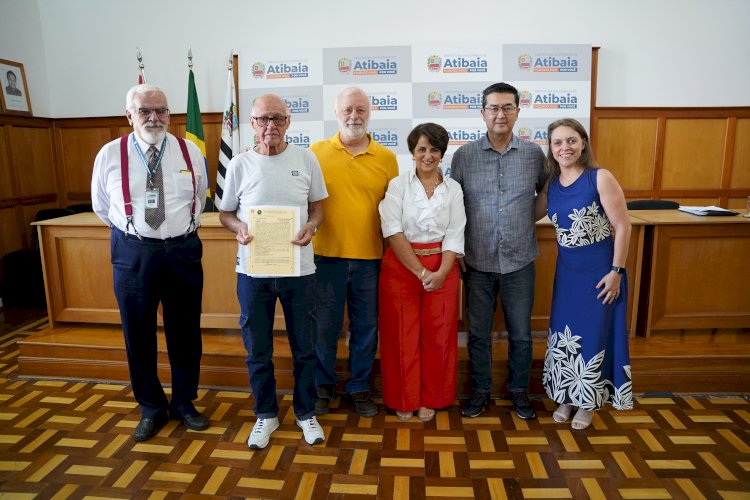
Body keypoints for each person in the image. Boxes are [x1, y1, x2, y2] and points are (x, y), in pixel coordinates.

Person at [91, 83, 209, 442]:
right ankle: (151, 407)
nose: (154, 118)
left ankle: (184, 403)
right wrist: (137, 233)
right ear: (130, 115)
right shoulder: (110, 155)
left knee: (186, 332)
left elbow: (200, 200)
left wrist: (175, 233)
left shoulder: (190, 151)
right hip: (134, 253)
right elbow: (101, 206)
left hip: (183, 251)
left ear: (170, 115)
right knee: (138, 334)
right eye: (145, 111)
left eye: (161, 111)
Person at [219, 94, 328, 448]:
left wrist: (311, 226)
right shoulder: (238, 164)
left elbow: (317, 209)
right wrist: (238, 228)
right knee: (257, 349)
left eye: (278, 119)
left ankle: (305, 412)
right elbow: (226, 213)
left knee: (305, 347)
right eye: (264, 119)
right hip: (253, 271)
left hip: (300, 270)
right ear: (251, 124)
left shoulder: (306, 159)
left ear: (288, 123)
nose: (271, 126)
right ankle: (265, 414)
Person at [450, 82, 546, 420]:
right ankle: (480, 391)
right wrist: (457, 250)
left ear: (518, 112)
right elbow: (453, 206)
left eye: (507, 107)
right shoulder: (463, 156)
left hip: (520, 260)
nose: (500, 113)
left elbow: (545, 198)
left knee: (520, 333)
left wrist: (522, 222)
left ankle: (519, 391)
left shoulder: (535, 155)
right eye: (494, 107)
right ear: (483, 113)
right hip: (477, 260)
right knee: (478, 334)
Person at [535, 118, 633, 430]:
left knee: (593, 336)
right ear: (550, 149)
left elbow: (623, 226)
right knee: (564, 336)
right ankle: (566, 396)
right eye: (558, 142)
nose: (565, 147)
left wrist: (616, 271)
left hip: (601, 274)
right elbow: (526, 214)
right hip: (568, 276)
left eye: (571, 140)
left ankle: (587, 403)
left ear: (583, 143)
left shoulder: (599, 178)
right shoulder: (551, 185)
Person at [310, 87, 399, 417]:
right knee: (324, 328)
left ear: (369, 113)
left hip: (370, 259)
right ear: (336, 113)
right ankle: (323, 384)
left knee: (365, 328)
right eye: (347, 110)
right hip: (324, 257)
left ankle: (359, 386)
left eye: (360, 110)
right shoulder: (315, 152)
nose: (354, 116)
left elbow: (393, 212)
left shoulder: (387, 158)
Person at [378, 123, 466, 422]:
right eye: (422, 149)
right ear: (412, 152)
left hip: (443, 268)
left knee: (438, 337)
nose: (428, 156)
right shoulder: (398, 185)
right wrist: (419, 271)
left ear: (442, 153)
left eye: (434, 150)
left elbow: (455, 232)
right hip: (401, 269)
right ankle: (405, 397)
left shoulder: (453, 188)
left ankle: (432, 397)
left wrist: (441, 272)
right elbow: (392, 230)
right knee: (402, 336)